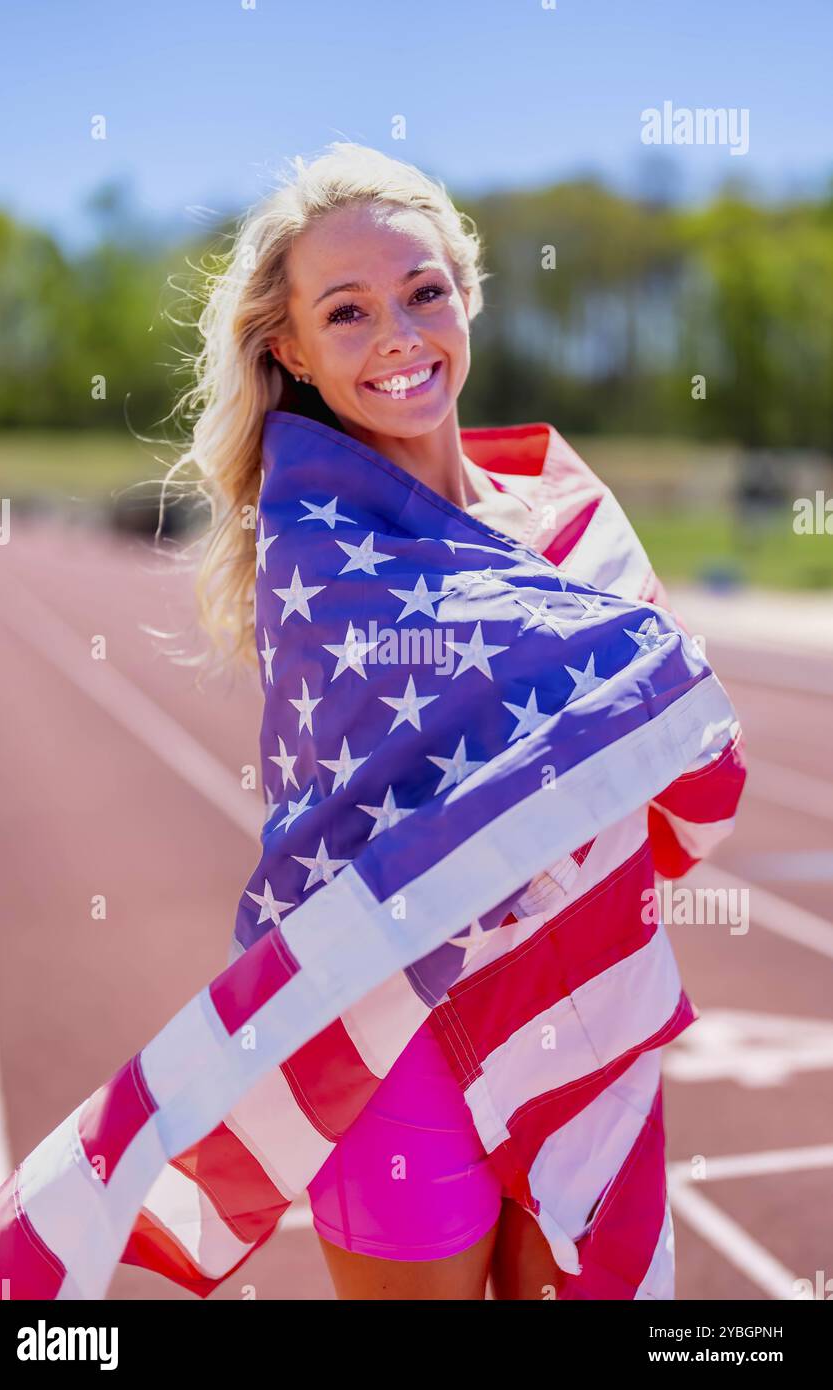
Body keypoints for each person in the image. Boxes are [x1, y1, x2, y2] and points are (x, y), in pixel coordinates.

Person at [149, 140, 743, 1300]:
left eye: (423, 292)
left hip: (584, 991)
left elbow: (665, 735)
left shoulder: (572, 515)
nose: (399, 338)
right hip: (388, 1032)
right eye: (348, 312)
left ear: (465, 296)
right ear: (293, 350)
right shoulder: (323, 558)